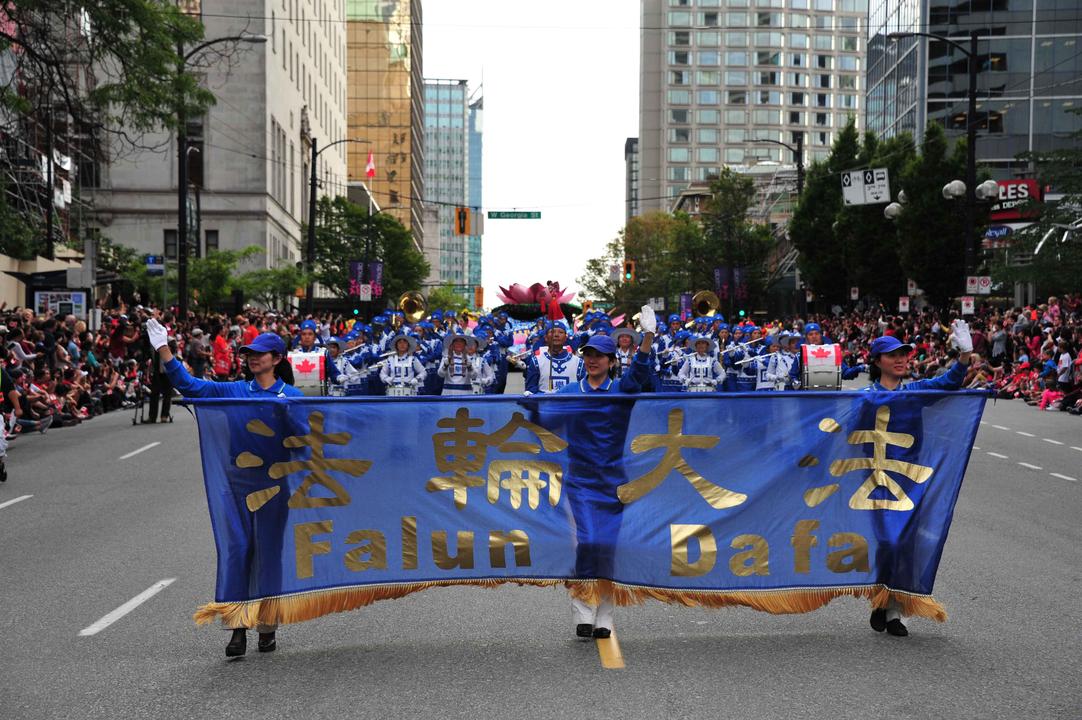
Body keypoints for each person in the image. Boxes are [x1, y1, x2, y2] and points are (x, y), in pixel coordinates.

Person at [146, 317, 302, 657]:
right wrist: (164, 349)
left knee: (269, 556)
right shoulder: (234, 390)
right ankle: (236, 628)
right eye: (248, 353)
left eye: (260, 354)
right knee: (236, 551)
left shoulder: (291, 396)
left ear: (277, 358)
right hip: (237, 487)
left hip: (275, 488)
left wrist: (290, 416)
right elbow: (189, 386)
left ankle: (267, 626)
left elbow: (307, 440)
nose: (252, 358)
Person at [551, 306, 657, 640]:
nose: (593, 360)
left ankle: (605, 617)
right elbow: (543, 418)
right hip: (580, 481)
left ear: (612, 361)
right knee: (588, 542)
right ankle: (583, 610)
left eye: (601, 355)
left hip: (613, 481)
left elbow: (640, 374)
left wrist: (647, 337)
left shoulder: (621, 392)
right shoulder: (569, 393)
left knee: (608, 546)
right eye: (589, 355)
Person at [863, 319, 973, 638]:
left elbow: (949, 383)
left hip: (909, 481)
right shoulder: (865, 399)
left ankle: (897, 612)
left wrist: (964, 356)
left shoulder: (914, 392)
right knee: (887, 543)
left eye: (904, 355)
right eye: (893, 355)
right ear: (877, 361)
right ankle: (880, 600)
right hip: (875, 482)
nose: (900, 359)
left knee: (906, 544)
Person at [524, 322, 582, 394]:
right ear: (545, 338)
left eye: (560, 332)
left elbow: (583, 389)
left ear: (565, 337)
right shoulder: (537, 361)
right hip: (545, 404)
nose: (556, 335)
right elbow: (531, 389)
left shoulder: (578, 362)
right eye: (552, 332)